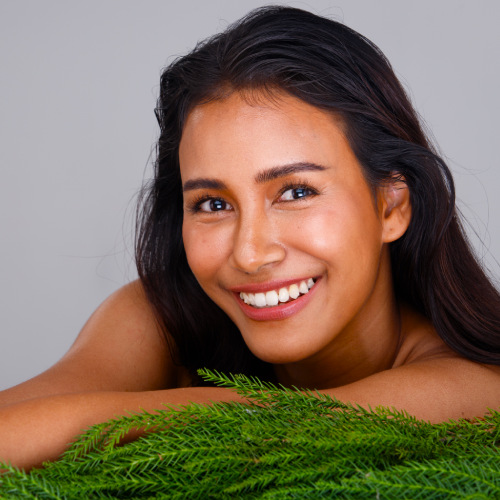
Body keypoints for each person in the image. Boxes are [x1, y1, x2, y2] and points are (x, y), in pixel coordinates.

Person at [1, 5, 499, 470]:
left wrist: (112, 417)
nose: (250, 253)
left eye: (296, 191)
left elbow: (280, 429)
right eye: (213, 204)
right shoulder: (159, 315)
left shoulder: (477, 385)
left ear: (391, 205)